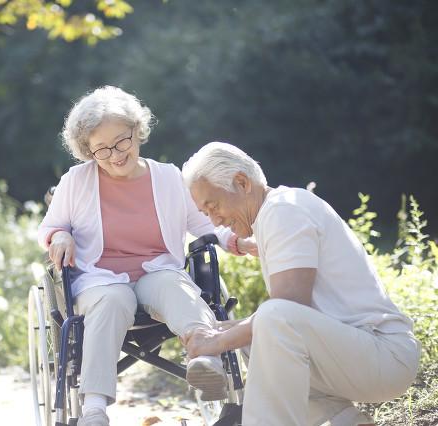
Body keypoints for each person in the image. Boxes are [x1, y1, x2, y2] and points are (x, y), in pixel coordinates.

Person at [37, 87, 257, 426]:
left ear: (137, 131)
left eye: (121, 141)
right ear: (88, 151)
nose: (115, 154)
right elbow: (49, 228)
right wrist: (61, 234)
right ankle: (94, 410)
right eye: (101, 149)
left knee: (175, 284)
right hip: (100, 279)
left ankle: (205, 354)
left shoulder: (169, 178)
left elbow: (204, 224)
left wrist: (237, 242)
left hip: (156, 271)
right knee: (112, 300)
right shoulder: (76, 181)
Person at [180, 142, 421, 426]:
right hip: (357, 353)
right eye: (205, 213)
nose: (214, 219)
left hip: (384, 356)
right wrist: (222, 330)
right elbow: (291, 320)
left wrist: (217, 342)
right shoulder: (274, 211)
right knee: (252, 336)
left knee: (269, 321)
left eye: (213, 206)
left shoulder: (285, 210)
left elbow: (287, 309)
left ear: (242, 183)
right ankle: (346, 420)